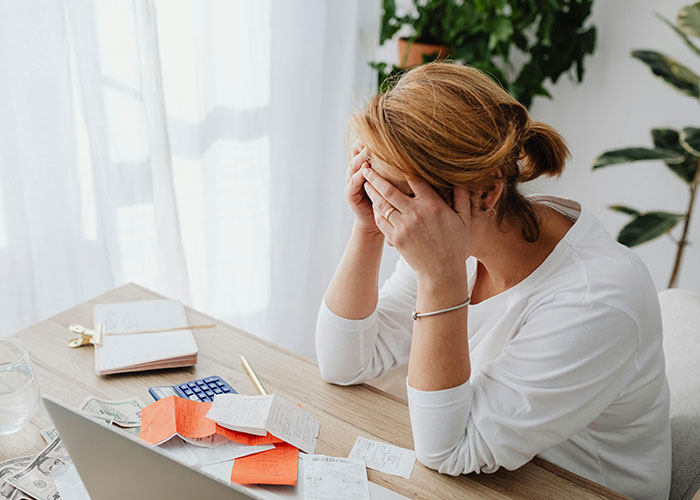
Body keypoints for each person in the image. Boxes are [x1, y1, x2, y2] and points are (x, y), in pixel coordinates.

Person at [315, 62, 671, 500]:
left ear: (486, 193)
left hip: (574, 488)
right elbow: (345, 364)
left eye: (396, 196)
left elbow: (447, 450)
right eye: (373, 188)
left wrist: (440, 278)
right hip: (493, 475)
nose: (392, 217)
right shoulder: (460, 231)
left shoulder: (595, 300)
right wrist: (367, 229)